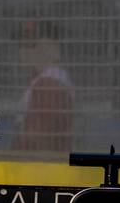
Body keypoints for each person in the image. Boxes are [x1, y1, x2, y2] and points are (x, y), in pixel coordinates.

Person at [15, 19, 76, 153]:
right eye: (22, 43)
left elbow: (37, 140)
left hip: (40, 170)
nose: (23, 49)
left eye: (31, 44)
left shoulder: (48, 85)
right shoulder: (48, 80)